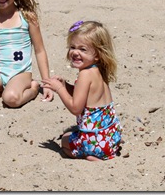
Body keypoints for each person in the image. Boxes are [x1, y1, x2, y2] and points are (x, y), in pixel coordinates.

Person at [42, 20, 122, 161]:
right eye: (72, 47)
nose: (75, 52)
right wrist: (65, 85)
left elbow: (76, 108)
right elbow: (85, 95)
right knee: (73, 133)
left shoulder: (85, 75)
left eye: (82, 49)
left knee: (65, 141)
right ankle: (100, 152)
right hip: (110, 137)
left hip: (95, 144)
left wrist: (59, 89)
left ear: (97, 54)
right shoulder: (98, 70)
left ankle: (90, 156)